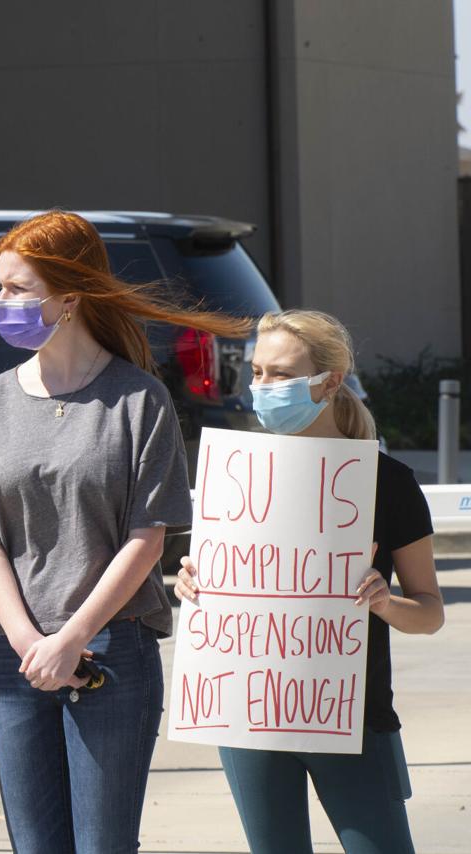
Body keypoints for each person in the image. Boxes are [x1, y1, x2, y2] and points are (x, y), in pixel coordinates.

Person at [0, 210, 250, 853]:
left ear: (71, 297)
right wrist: (31, 641)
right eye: (0, 286)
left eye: (17, 289)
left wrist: (72, 638)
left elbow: (148, 536)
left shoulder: (139, 400)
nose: (0, 302)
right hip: (15, 656)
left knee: (103, 846)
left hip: (112, 651)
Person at [174, 309, 444, 854]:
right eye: (257, 372)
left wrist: (384, 602)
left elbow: (430, 611)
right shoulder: (235, 480)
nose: (263, 387)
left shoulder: (387, 483)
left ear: (330, 382)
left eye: (281, 374)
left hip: (351, 717)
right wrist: (196, 585)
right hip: (246, 714)